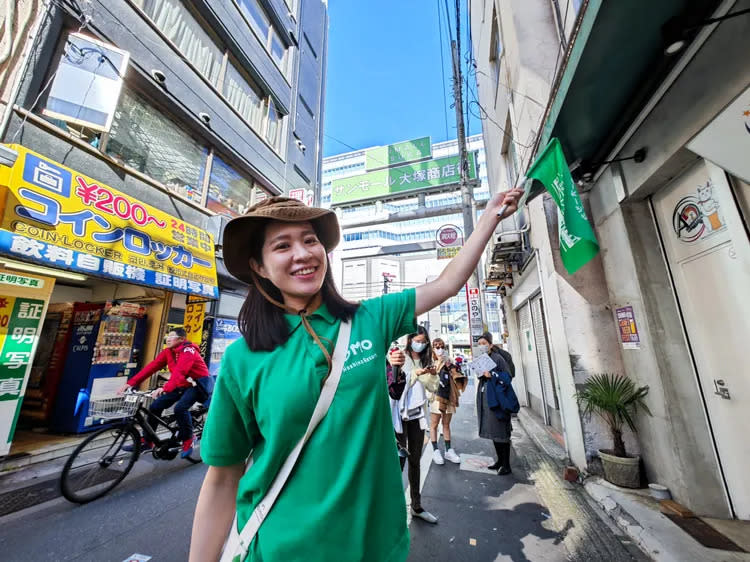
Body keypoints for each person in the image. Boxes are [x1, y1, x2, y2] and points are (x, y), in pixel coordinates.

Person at [189, 189, 522, 562]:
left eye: (310, 240)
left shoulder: (368, 319)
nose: (302, 254)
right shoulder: (242, 358)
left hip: (377, 546)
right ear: (260, 267)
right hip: (280, 550)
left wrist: (490, 216)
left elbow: (445, 284)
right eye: (282, 245)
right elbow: (221, 479)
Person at [117, 327, 211, 458]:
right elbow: (151, 367)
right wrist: (130, 383)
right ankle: (148, 441)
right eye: (168, 335)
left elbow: (180, 372)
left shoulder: (189, 350)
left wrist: (165, 388)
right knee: (155, 406)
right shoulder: (168, 352)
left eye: (172, 335)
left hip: (197, 384)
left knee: (180, 409)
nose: (168, 338)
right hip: (181, 384)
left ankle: (188, 439)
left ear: (181, 339)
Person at [387, 327, 439, 524]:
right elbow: (395, 386)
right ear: (409, 341)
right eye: (416, 340)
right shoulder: (400, 357)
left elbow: (433, 388)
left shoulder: (427, 360)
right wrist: (415, 374)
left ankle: (416, 505)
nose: (420, 344)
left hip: (417, 416)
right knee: (397, 462)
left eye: (423, 341)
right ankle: (392, 507)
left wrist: (431, 374)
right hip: (398, 417)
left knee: (415, 461)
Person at [476, 331, 516, 475]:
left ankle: (506, 464)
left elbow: (507, 377)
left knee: (501, 432)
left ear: (490, 345)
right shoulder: (482, 359)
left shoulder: (498, 358)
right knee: (494, 432)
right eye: (479, 344)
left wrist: (491, 375)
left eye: (484, 344)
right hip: (486, 399)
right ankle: (499, 461)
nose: (481, 346)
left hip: (498, 400)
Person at [427, 338, 467, 465]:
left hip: (449, 396)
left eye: (441, 346)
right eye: (436, 346)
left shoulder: (449, 360)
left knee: (446, 424)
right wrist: (439, 362)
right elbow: (430, 378)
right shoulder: (430, 361)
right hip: (436, 396)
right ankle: (435, 450)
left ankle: (448, 450)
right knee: (434, 424)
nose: (439, 349)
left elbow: (457, 374)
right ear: (432, 348)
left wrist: (450, 365)